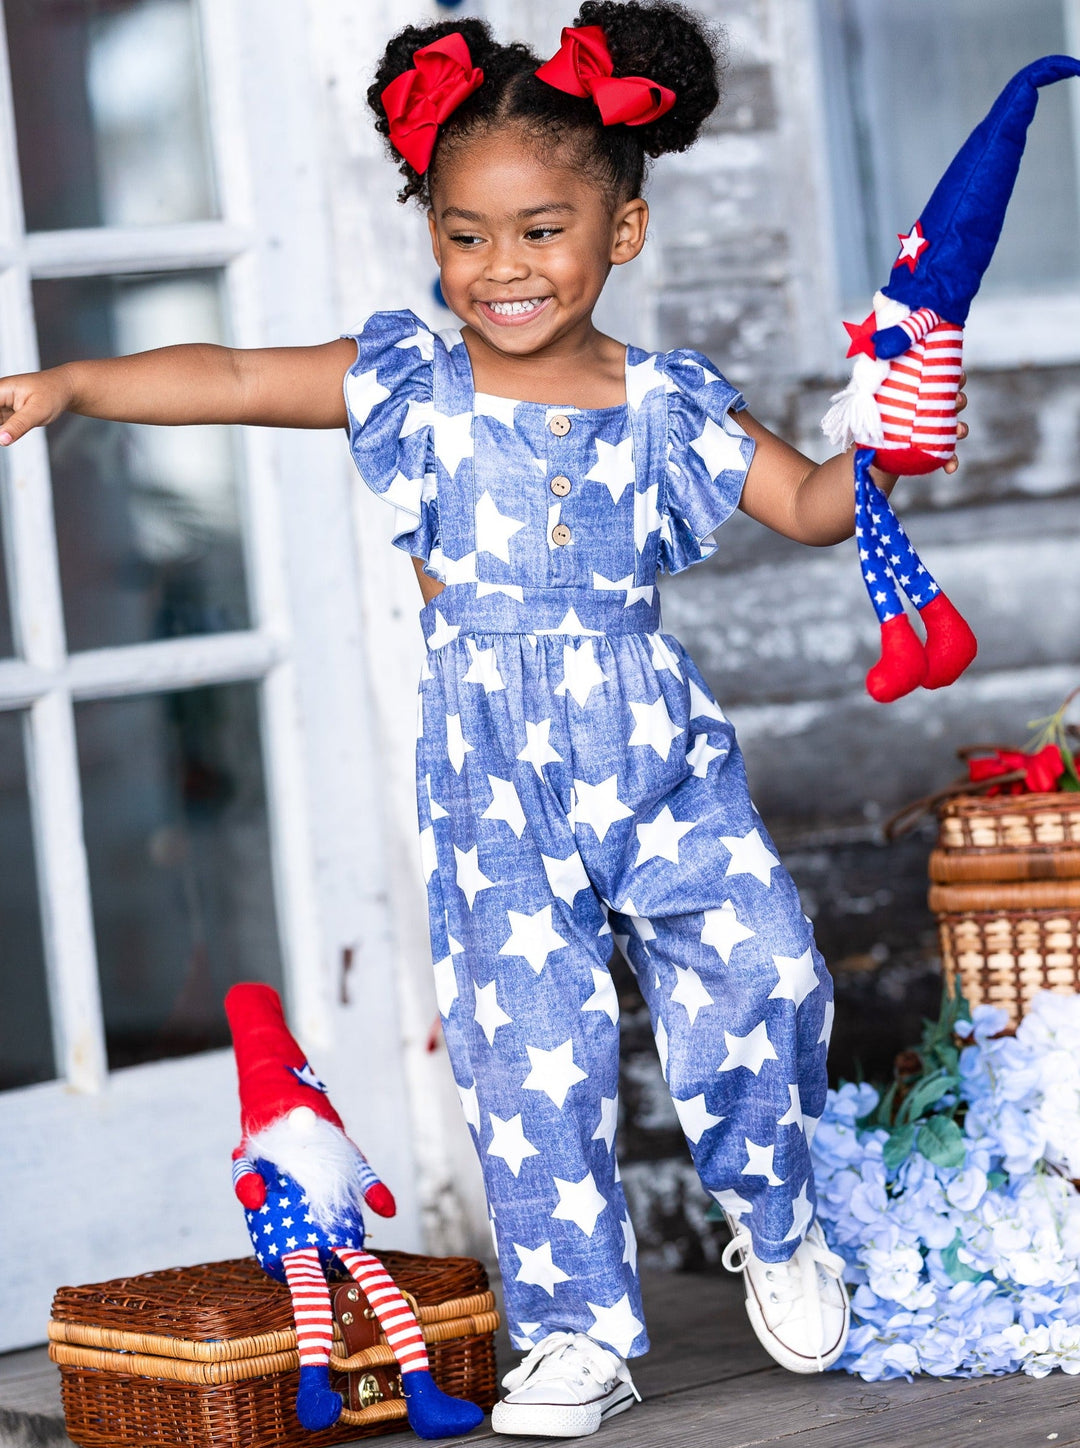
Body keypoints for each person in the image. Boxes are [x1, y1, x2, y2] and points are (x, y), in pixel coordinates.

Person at [0, 4, 967, 1438]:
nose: (501, 267)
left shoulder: (669, 405)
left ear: (622, 231)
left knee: (762, 969)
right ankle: (574, 1334)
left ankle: (780, 1217)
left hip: (654, 751)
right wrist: (76, 384)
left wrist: (887, 436)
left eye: (541, 231)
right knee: (528, 1053)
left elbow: (817, 509)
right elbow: (237, 374)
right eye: (466, 235)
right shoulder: (411, 384)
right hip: (491, 769)